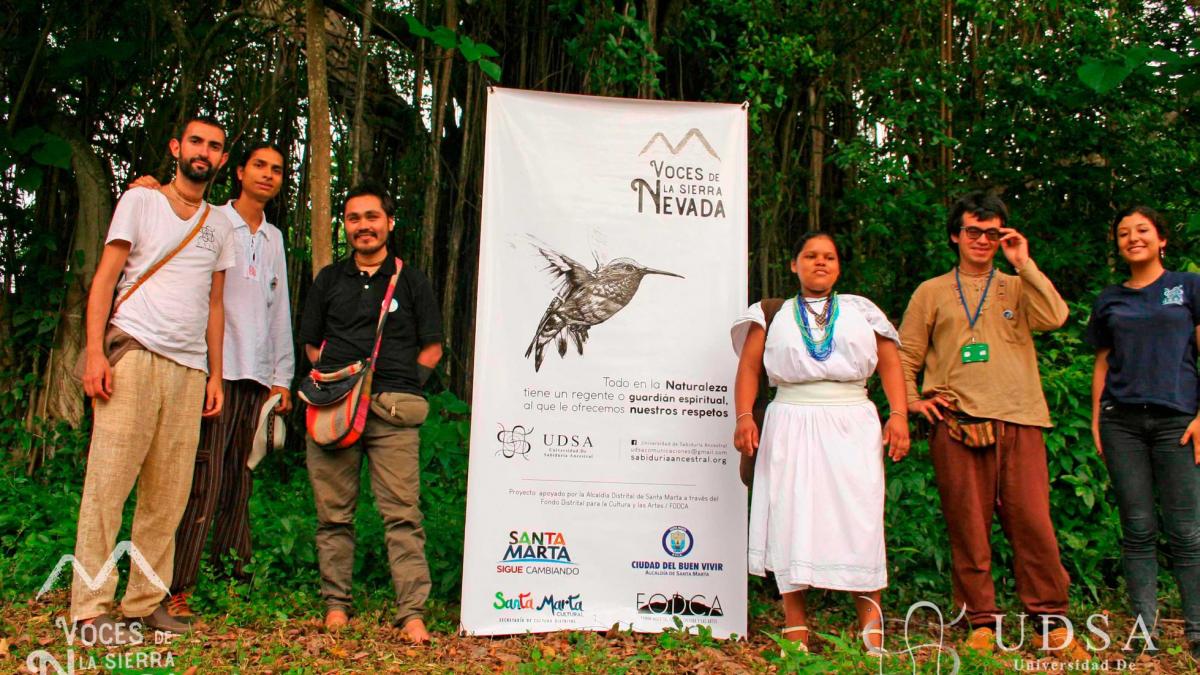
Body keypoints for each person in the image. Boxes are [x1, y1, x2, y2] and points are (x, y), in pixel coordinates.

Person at [897, 190, 1087, 659]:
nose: (981, 240)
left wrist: (1023, 262)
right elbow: (905, 355)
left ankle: (1051, 622)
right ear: (955, 236)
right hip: (957, 421)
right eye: (972, 231)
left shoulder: (1017, 285)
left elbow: (1057, 317)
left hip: (1019, 417)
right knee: (968, 526)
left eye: (991, 232)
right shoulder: (932, 291)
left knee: (1033, 524)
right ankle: (979, 621)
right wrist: (912, 402)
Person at [73, 116, 235, 640]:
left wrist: (214, 372)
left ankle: (145, 602)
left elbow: (215, 304)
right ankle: (90, 608)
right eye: (196, 142)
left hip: (189, 369)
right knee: (108, 484)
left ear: (222, 160)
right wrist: (94, 351)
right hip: (135, 351)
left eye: (214, 146)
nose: (203, 153)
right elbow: (106, 277)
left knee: (168, 494)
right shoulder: (140, 201)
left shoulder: (221, 224)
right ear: (176, 147)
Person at [130, 143, 296, 623]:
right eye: (259, 166)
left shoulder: (274, 238)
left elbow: (277, 308)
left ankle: (231, 576)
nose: (268, 175)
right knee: (202, 476)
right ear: (238, 171)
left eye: (277, 170)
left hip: (256, 374)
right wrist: (147, 187)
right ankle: (174, 586)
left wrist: (280, 378)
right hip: (213, 371)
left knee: (239, 480)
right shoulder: (211, 219)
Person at [731, 232, 910, 654]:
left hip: (852, 421)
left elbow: (889, 363)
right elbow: (749, 369)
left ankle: (871, 631)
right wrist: (743, 417)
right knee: (791, 515)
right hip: (790, 420)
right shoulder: (770, 314)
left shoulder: (860, 310)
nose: (820, 262)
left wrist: (899, 415)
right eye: (810, 256)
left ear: (839, 266)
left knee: (859, 518)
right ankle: (796, 628)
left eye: (829, 256)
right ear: (795, 265)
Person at [298, 182, 443, 643]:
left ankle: (411, 613)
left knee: (403, 514)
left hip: (392, 411)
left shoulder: (413, 280)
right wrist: (344, 386)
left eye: (372, 217)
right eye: (355, 218)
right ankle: (336, 605)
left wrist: (397, 386)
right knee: (334, 514)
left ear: (389, 223)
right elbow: (311, 345)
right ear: (346, 225)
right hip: (335, 408)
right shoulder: (329, 280)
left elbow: (433, 348)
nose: (364, 225)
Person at [1087, 205, 1200, 661]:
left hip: (1179, 422)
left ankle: (1196, 631)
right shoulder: (1110, 298)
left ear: (1161, 239)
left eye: (1142, 230)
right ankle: (1145, 631)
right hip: (1122, 422)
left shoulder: (1188, 287)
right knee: (1137, 528)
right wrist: (1097, 419)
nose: (1132, 238)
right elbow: (1102, 361)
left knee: (1188, 531)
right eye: (1123, 233)